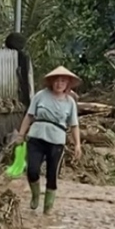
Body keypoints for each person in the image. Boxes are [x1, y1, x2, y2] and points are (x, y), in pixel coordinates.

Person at [16, 67, 83, 214]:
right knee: (32, 170)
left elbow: (74, 125)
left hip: (57, 141)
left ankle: (48, 209)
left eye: (63, 81)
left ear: (68, 84)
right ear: (51, 82)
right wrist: (21, 135)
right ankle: (35, 195)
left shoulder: (70, 102)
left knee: (52, 175)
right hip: (36, 137)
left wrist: (77, 144)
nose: (59, 84)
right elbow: (29, 116)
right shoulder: (40, 96)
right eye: (57, 81)